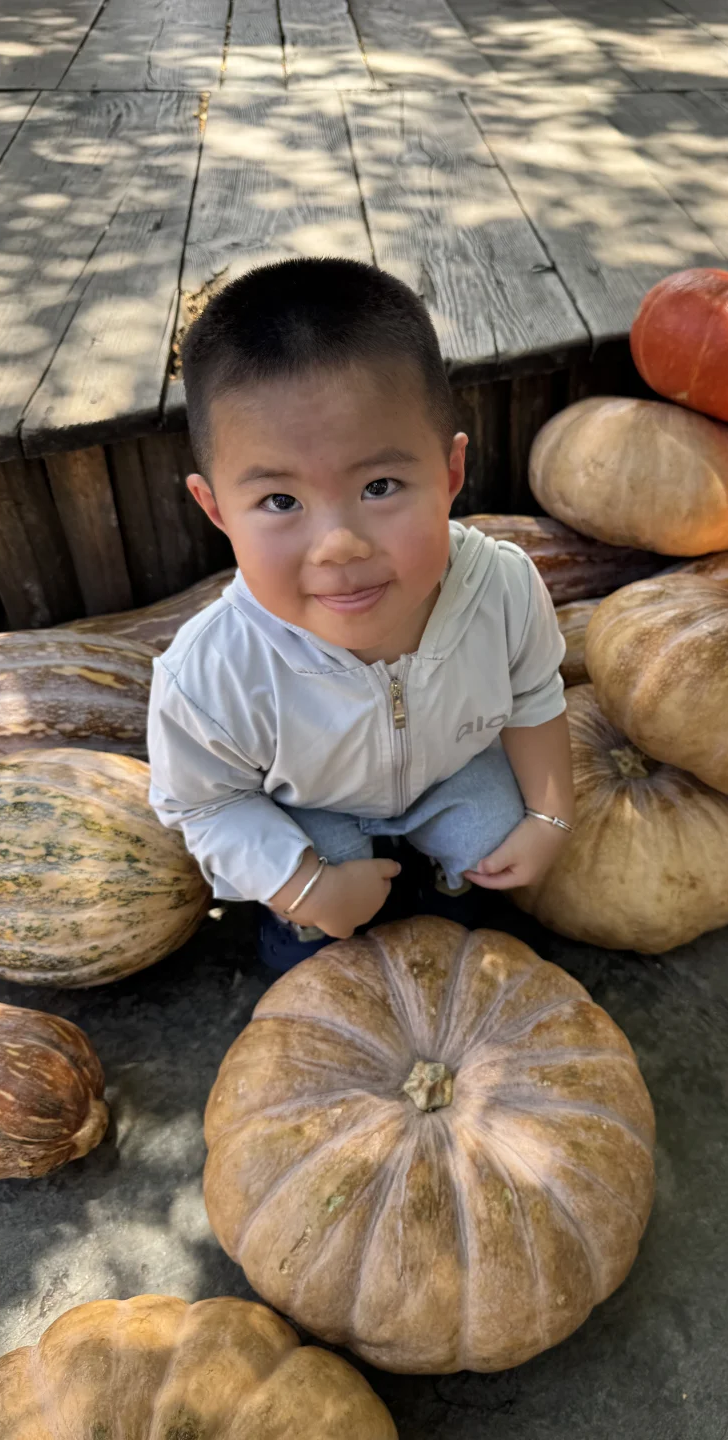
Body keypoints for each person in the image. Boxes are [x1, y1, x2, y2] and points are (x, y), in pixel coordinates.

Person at [147, 258, 573, 970]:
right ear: (215, 509)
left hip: (449, 775)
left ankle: (448, 889)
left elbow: (534, 696)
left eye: (380, 486)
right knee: (319, 925)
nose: (339, 545)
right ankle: (309, 925)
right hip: (307, 809)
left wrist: (551, 816)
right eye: (280, 501)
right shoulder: (210, 672)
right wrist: (304, 886)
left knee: (498, 837)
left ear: (450, 473)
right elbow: (206, 805)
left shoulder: (501, 587)